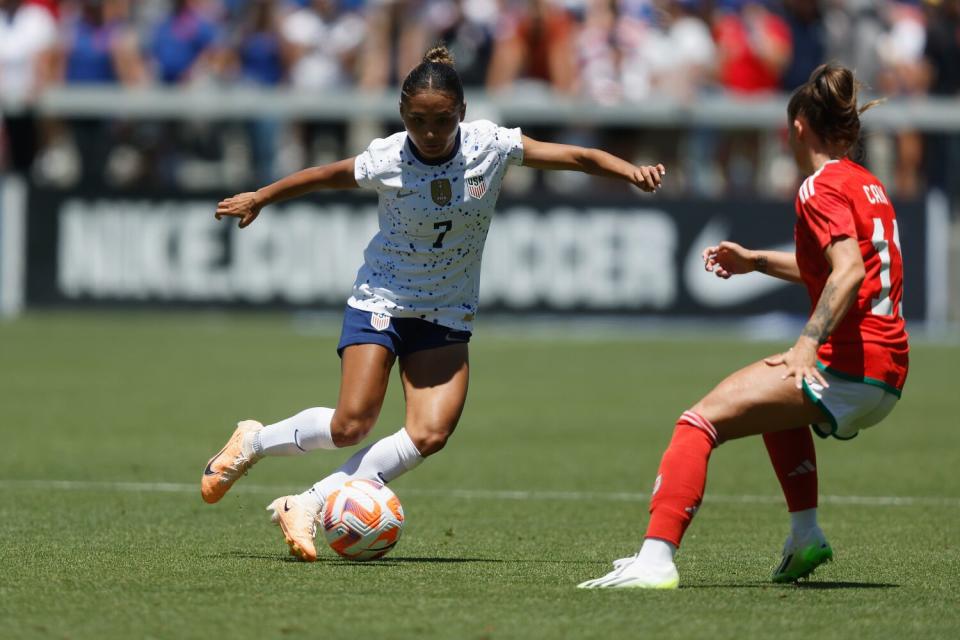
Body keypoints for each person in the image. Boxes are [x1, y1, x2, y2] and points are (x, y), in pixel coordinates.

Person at [201, 44, 666, 562]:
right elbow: (324, 175)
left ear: (461, 113)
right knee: (351, 424)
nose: (429, 132)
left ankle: (308, 503)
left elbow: (575, 156)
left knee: (431, 432)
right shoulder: (387, 157)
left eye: (441, 120)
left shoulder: (490, 144)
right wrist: (261, 196)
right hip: (383, 299)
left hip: (447, 310)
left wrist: (629, 171)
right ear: (402, 115)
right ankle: (255, 441)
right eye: (417, 120)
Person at [579, 63, 908, 589]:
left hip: (849, 363)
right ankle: (805, 536)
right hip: (887, 369)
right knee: (776, 412)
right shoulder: (868, 185)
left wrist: (806, 344)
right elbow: (842, 269)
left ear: (797, 128)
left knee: (698, 422)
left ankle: (656, 559)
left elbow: (846, 272)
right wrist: (756, 260)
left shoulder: (817, 188)